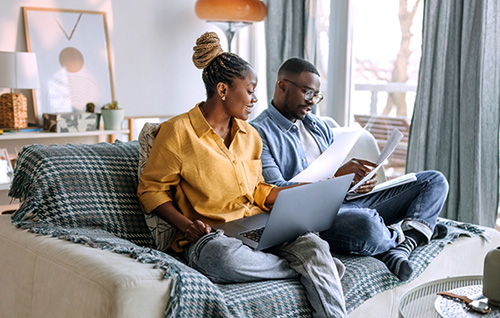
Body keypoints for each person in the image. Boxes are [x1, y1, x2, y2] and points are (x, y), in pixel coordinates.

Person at [137, 33, 347, 318]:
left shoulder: (250, 135)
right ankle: (316, 268)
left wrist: (293, 198)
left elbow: (257, 188)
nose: (256, 98)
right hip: (213, 237)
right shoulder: (178, 131)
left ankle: (315, 264)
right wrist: (187, 227)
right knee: (222, 259)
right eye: (250, 90)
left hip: (257, 225)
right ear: (223, 90)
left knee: (314, 243)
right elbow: (152, 191)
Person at [250, 57, 449, 281]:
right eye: (307, 93)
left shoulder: (318, 126)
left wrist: (355, 184)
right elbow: (276, 193)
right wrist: (336, 178)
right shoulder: (257, 134)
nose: (312, 102)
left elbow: (336, 178)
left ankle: (402, 244)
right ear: (282, 86)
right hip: (312, 219)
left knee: (434, 180)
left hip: (346, 203)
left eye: (317, 95)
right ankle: (414, 233)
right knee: (366, 225)